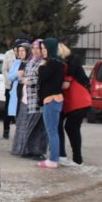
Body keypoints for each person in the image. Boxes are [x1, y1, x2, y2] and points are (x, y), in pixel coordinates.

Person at [11, 40, 48, 159]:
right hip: (25, 98)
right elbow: (21, 78)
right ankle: (23, 149)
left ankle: (37, 152)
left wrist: (29, 80)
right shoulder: (31, 62)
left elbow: (42, 80)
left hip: (36, 99)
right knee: (22, 126)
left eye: (38, 48)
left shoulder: (43, 63)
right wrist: (25, 79)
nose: (36, 51)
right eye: (34, 48)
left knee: (36, 128)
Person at [58, 42, 91, 166]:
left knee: (71, 128)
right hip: (74, 101)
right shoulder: (70, 62)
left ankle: (77, 159)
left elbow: (67, 81)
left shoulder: (71, 61)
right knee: (68, 127)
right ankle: (70, 156)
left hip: (78, 101)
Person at [36, 37, 66, 169]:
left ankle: (53, 160)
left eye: (45, 49)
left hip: (51, 100)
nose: (43, 52)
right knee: (53, 131)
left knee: (51, 131)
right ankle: (54, 157)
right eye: (41, 49)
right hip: (53, 100)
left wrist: (41, 65)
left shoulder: (52, 63)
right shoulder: (57, 63)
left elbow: (42, 76)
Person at [5, 41, 29, 139]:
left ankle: (24, 141)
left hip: (26, 95)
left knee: (25, 119)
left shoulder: (32, 62)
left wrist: (24, 76)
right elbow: (10, 76)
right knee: (17, 118)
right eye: (19, 51)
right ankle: (19, 141)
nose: (21, 53)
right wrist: (17, 74)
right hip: (16, 93)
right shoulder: (17, 62)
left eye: (23, 50)